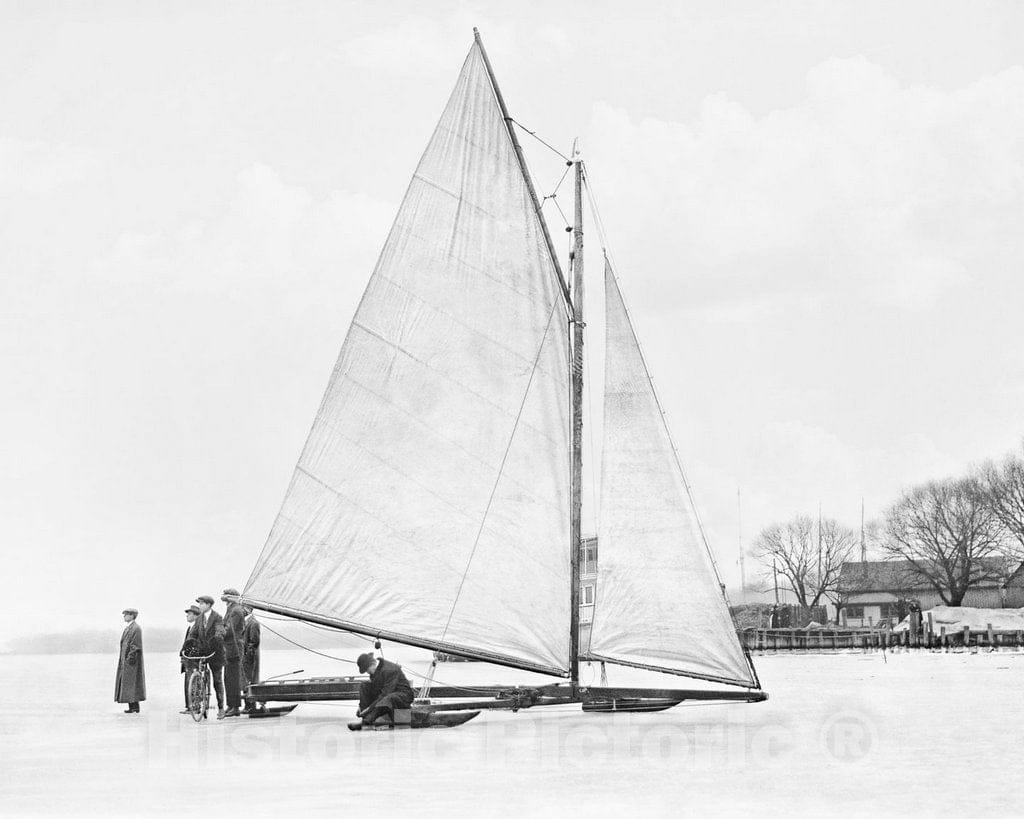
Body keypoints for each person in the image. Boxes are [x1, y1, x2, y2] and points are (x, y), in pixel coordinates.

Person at [191, 595, 226, 718]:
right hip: (203, 652)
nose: (200, 606)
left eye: (202, 603)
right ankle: (199, 703)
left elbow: (220, 632)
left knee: (217, 680)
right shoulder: (199, 618)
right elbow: (193, 633)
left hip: (215, 652)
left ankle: (221, 708)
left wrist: (217, 638)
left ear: (209, 605)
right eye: (199, 603)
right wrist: (189, 644)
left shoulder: (217, 617)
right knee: (199, 674)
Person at [355, 652, 413, 726]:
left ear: (373, 664)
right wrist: (361, 706)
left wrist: (369, 708)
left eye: (367, 670)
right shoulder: (374, 671)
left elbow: (385, 694)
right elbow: (377, 690)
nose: (367, 672)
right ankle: (364, 714)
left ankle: (368, 720)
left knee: (389, 697)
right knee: (364, 685)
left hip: (403, 696)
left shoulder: (390, 670)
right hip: (388, 695)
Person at [114, 608, 146, 714]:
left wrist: (129, 659)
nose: (124, 616)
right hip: (127, 662)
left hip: (132, 662)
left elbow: (135, 646)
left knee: (133, 684)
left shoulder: (135, 628)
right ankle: (132, 707)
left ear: (132, 616)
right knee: (130, 685)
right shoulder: (129, 628)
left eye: (126, 614)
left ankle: (134, 707)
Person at [220, 588, 245, 718]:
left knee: (233, 679)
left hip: (233, 649)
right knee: (228, 678)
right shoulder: (232, 609)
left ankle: (235, 707)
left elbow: (229, 630)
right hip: (229, 649)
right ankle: (231, 705)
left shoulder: (236, 610)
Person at [179, 605, 201, 714]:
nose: (187, 615)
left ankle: (194, 707)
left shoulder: (197, 627)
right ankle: (190, 706)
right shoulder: (191, 627)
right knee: (188, 683)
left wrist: (188, 654)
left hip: (193, 659)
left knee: (193, 682)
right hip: (188, 659)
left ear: (196, 616)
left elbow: (197, 643)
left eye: (190, 613)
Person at [241, 606, 262, 714]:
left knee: (251, 681)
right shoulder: (245, 622)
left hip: (250, 657)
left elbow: (254, 642)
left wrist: (247, 655)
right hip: (246, 656)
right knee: (245, 682)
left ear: (248, 609)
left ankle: (251, 707)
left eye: (242, 608)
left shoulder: (253, 623)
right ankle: (248, 706)